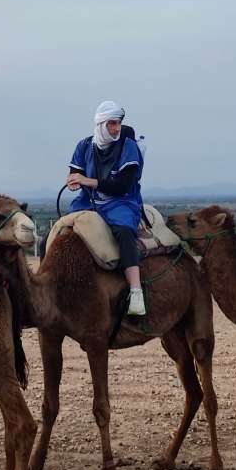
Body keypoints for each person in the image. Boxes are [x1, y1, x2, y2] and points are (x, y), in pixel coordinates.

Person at [66, 101, 147, 315]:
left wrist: (88, 181)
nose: (117, 128)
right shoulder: (84, 146)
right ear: (101, 124)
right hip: (87, 202)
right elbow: (75, 172)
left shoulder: (128, 147)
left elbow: (122, 186)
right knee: (61, 231)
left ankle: (136, 293)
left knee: (124, 232)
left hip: (120, 202)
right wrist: (73, 182)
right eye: (112, 123)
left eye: (119, 123)